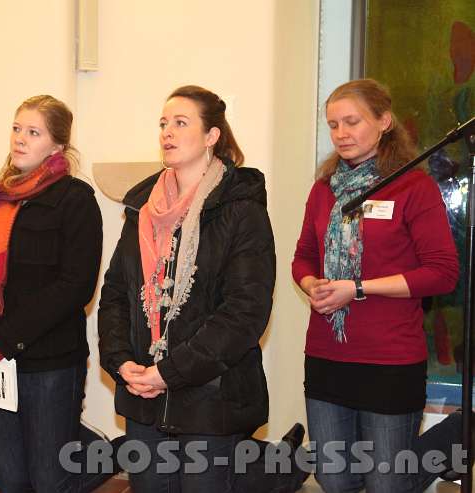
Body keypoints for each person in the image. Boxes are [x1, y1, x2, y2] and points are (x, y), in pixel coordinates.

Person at [98, 85, 308, 492]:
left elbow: (244, 313)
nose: (167, 133)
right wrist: (121, 361)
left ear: (212, 136)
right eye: (163, 124)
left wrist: (170, 373)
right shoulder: (141, 208)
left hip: (213, 401)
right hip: (144, 396)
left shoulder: (242, 209)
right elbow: (115, 295)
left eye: (180, 123)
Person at [292, 78, 465, 492]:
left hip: (390, 359)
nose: (341, 134)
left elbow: (442, 272)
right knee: (333, 477)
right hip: (327, 354)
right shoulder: (324, 190)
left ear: (384, 121)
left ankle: (452, 436)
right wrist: (312, 282)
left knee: (387, 482)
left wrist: (359, 288)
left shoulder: (413, 187)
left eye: (352, 121)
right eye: (333, 125)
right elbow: (303, 256)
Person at [0, 95, 113, 492]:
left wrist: (2, 342)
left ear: (57, 145)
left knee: (48, 481)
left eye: (33, 132)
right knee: (10, 481)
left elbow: (75, 287)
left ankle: (107, 453)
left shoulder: (74, 199)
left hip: (49, 361)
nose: (20, 139)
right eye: (17, 128)